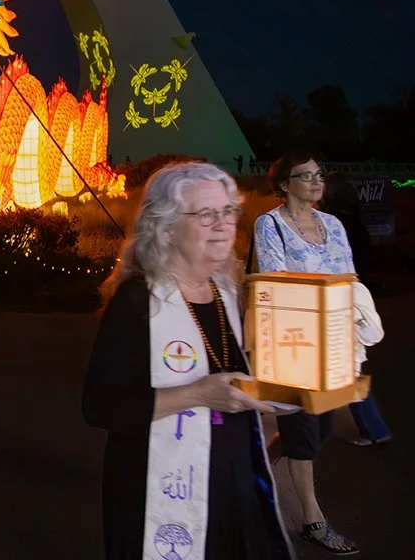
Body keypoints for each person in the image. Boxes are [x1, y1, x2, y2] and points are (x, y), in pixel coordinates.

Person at [83, 161, 292, 560]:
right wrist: (196, 393)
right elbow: (99, 407)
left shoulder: (227, 293)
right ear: (166, 228)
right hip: (157, 490)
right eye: (206, 214)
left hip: (231, 483)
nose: (224, 224)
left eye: (228, 211)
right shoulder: (139, 302)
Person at [252, 152, 365, 554]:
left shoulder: (332, 224)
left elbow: (349, 274)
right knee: (303, 430)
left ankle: (247, 463)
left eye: (320, 175)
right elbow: (275, 277)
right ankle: (313, 521)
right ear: (284, 184)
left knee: (319, 427)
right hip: (293, 338)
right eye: (307, 176)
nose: (318, 182)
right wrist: (324, 289)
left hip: (332, 337)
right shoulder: (269, 225)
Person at [319, 173, 390, 448]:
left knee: (346, 369)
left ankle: (373, 428)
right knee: (349, 365)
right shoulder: (355, 224)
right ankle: (371, 427)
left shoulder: (332, 224)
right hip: (355, 296)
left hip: (340, 299)